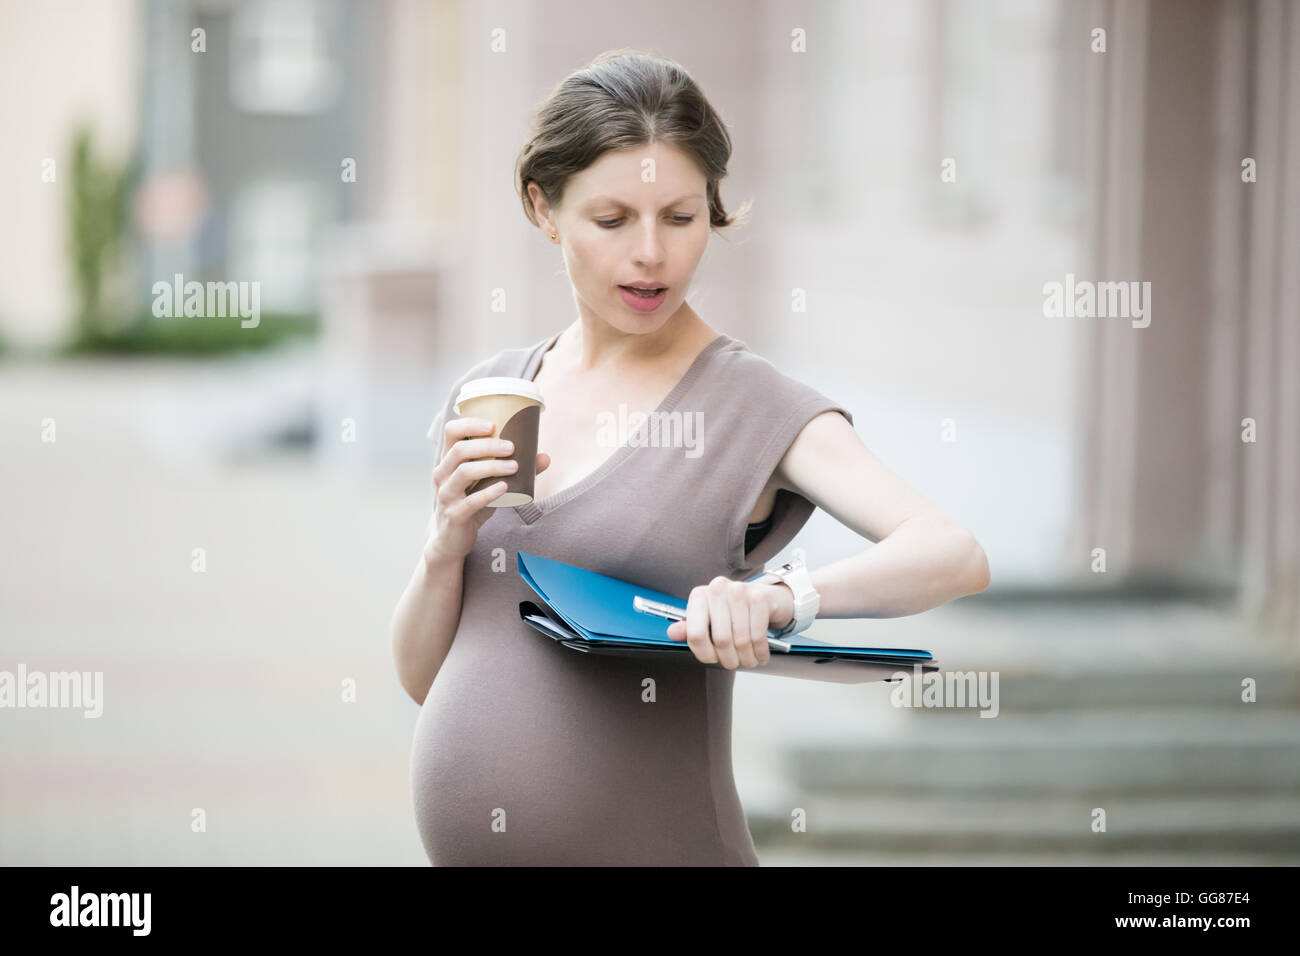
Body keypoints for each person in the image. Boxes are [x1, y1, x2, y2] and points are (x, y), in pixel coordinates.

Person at [391, 49, 989, 866]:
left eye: (680, 217)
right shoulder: (495, 391)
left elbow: (953, 554)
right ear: (544, 208)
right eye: (612, 221)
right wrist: (443, 548)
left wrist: (781, 597)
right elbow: (425, 679)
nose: (652, 254)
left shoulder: (751, 404)